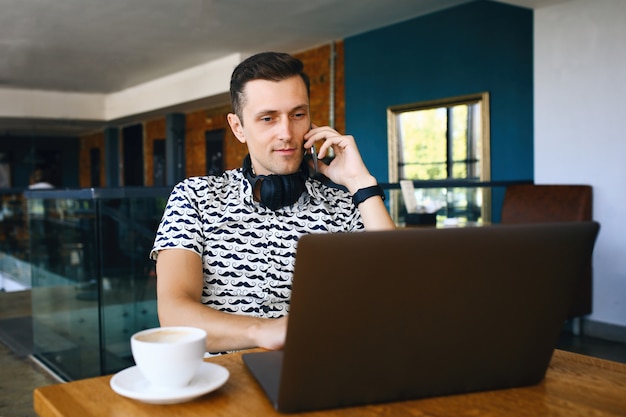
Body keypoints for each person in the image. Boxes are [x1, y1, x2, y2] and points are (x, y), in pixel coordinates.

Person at [150, 52, 395, 354]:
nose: (287, 133)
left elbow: (398, 290)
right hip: (223, 385)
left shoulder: (345, 205)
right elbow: (174, 314)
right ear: (238, 127)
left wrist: (360, 184)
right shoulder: (195, 198)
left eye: (298, 115)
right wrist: (265, 331)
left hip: (320, 373)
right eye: (268, 118)